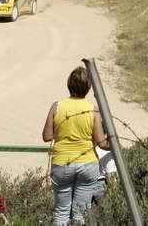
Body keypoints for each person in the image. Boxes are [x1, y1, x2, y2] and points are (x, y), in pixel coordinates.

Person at [42, 66, 110, 226]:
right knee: (80, 212)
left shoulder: (57, 106)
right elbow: (101, 142)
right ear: (88, 87)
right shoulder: (93, 110)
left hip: (62, 163)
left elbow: (47, 136)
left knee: (61, 211)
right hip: (87, 163)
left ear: (69, 85)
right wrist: (115, 144)